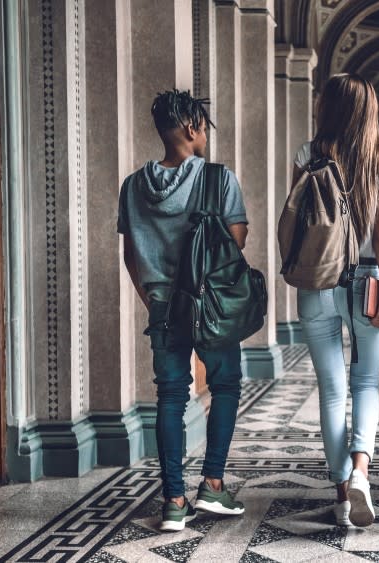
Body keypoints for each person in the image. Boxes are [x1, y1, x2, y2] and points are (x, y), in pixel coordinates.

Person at [118, 90, 249, 532]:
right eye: (204, 128)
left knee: (171, 397)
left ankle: (174, 501)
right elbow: (236, 243)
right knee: (225, 384)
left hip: (163, 306)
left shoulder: (134, 186)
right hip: (211, 304)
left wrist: (153, 299)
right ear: (192, 127)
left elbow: (131, 255)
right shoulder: (218, 178)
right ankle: (212, 484)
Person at [292, 74, 379, 528]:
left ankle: (341, 494)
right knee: (366, 384)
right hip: (368, 279)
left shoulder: (307, 155)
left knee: (332, 390)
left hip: (317, 279)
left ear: (328, 108)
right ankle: (361, 471)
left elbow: (297, 218)